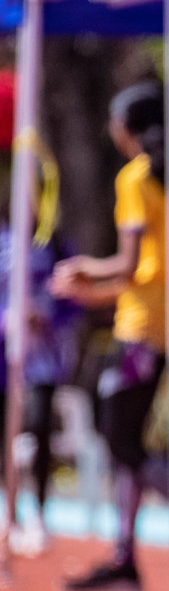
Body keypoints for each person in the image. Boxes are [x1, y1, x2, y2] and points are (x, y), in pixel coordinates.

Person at [49, 82, 169, 591]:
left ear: (126, 127)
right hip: (168, 322)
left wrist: (87, 275)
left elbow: (131, 267)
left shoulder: (137, 180)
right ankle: (126, 555)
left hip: (143, 327)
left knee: (121, 440)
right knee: (127, 440)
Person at [0, 189, 78, 556]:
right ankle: (8, 511)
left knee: (38, 429)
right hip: (5, 360)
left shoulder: (57, 247)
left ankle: (39, 514)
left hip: (42, 362)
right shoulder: (3, 246)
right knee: (5, 435)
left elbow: (74, 301)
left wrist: (45, 315)